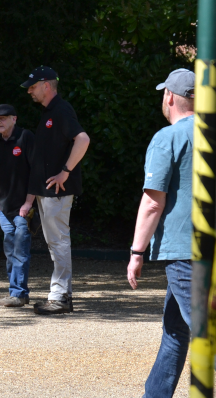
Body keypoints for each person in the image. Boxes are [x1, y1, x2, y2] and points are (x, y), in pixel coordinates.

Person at [127, 68, 195, 398]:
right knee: (175, 329)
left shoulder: (167, 138)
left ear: (169, 96)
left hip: (185, 250)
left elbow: (153, 201)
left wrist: (137, 252)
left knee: (202, 328)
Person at [20, 66, 90, 315]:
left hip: (57, 191)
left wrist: (66, 171)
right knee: (56, 242)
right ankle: (62, 295)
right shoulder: (50, 112)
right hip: (48, 192)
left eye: (33, 86)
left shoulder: (60, 110)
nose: (29, 91)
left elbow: (83, 139)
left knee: (58, 242)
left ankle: (59, 296)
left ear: (46, 85)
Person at [0, 104, 36, 307]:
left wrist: (28, 203)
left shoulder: (25, 137)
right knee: (10, 251)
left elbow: (35, 173)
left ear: (14, 119)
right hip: (4, 209)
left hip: (24, 208)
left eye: (3, 118)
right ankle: (16, 292)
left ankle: (19, 293)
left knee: (20, 250)